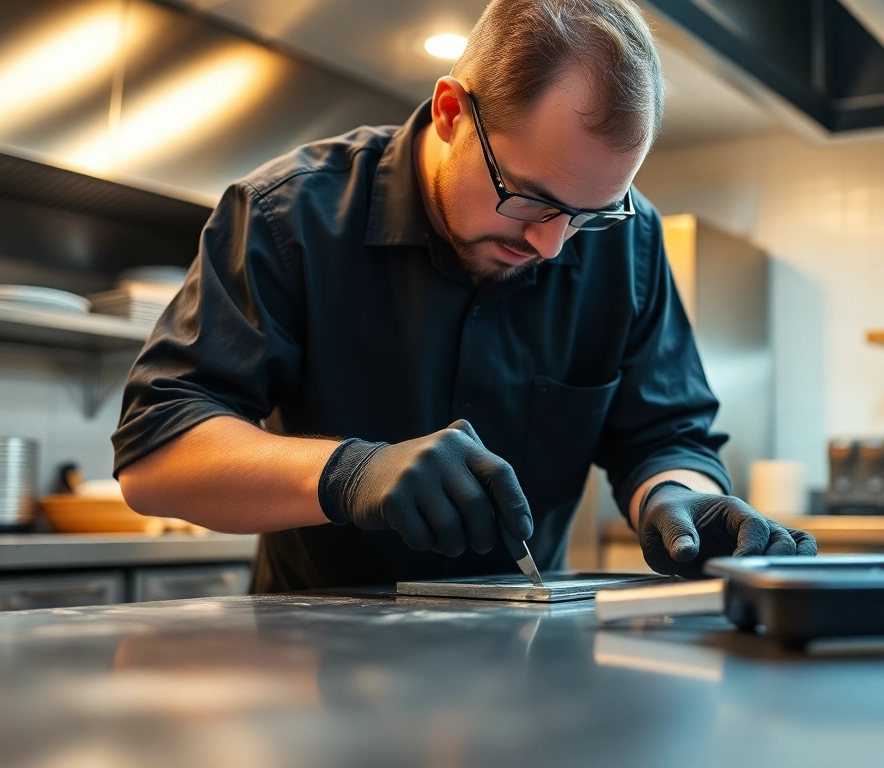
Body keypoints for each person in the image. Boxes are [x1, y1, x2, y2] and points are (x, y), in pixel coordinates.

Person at [112, 0, 817, 592]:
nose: (553, 244)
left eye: (590, 213)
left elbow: (663, 436)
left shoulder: (625, 243)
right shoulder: (287, 216)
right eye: (531, 200)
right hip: (314, 657)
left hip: (533, 661)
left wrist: (681, 498)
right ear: (451, 111)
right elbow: (156, 455)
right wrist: (350, 473)